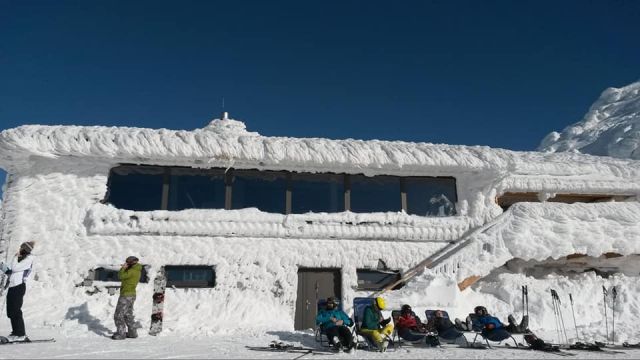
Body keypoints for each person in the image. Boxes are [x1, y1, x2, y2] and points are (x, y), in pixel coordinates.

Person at [0, 241, 35, 342]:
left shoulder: (29, 259)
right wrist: (3, 267)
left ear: (25, 250)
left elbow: (15, 268)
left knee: (15, 310)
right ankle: (16, 332)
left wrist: (15, 257)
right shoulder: (21, 259)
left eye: (21, 248)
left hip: (19, 287)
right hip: (13, 286)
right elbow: (12, 272)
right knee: (11, 311)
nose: (19, 249)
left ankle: (20, 334)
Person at [112, 256, 142, 340]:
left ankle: (121, 334)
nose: (126, 263)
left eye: (127, 262)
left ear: (131, 263)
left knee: (118, 315)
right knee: (128, 314)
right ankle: (132, 333)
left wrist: (123, 268)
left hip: (126, 295)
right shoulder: (137, 270)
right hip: (131, 295)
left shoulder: (132, 271)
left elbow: (121, 276)